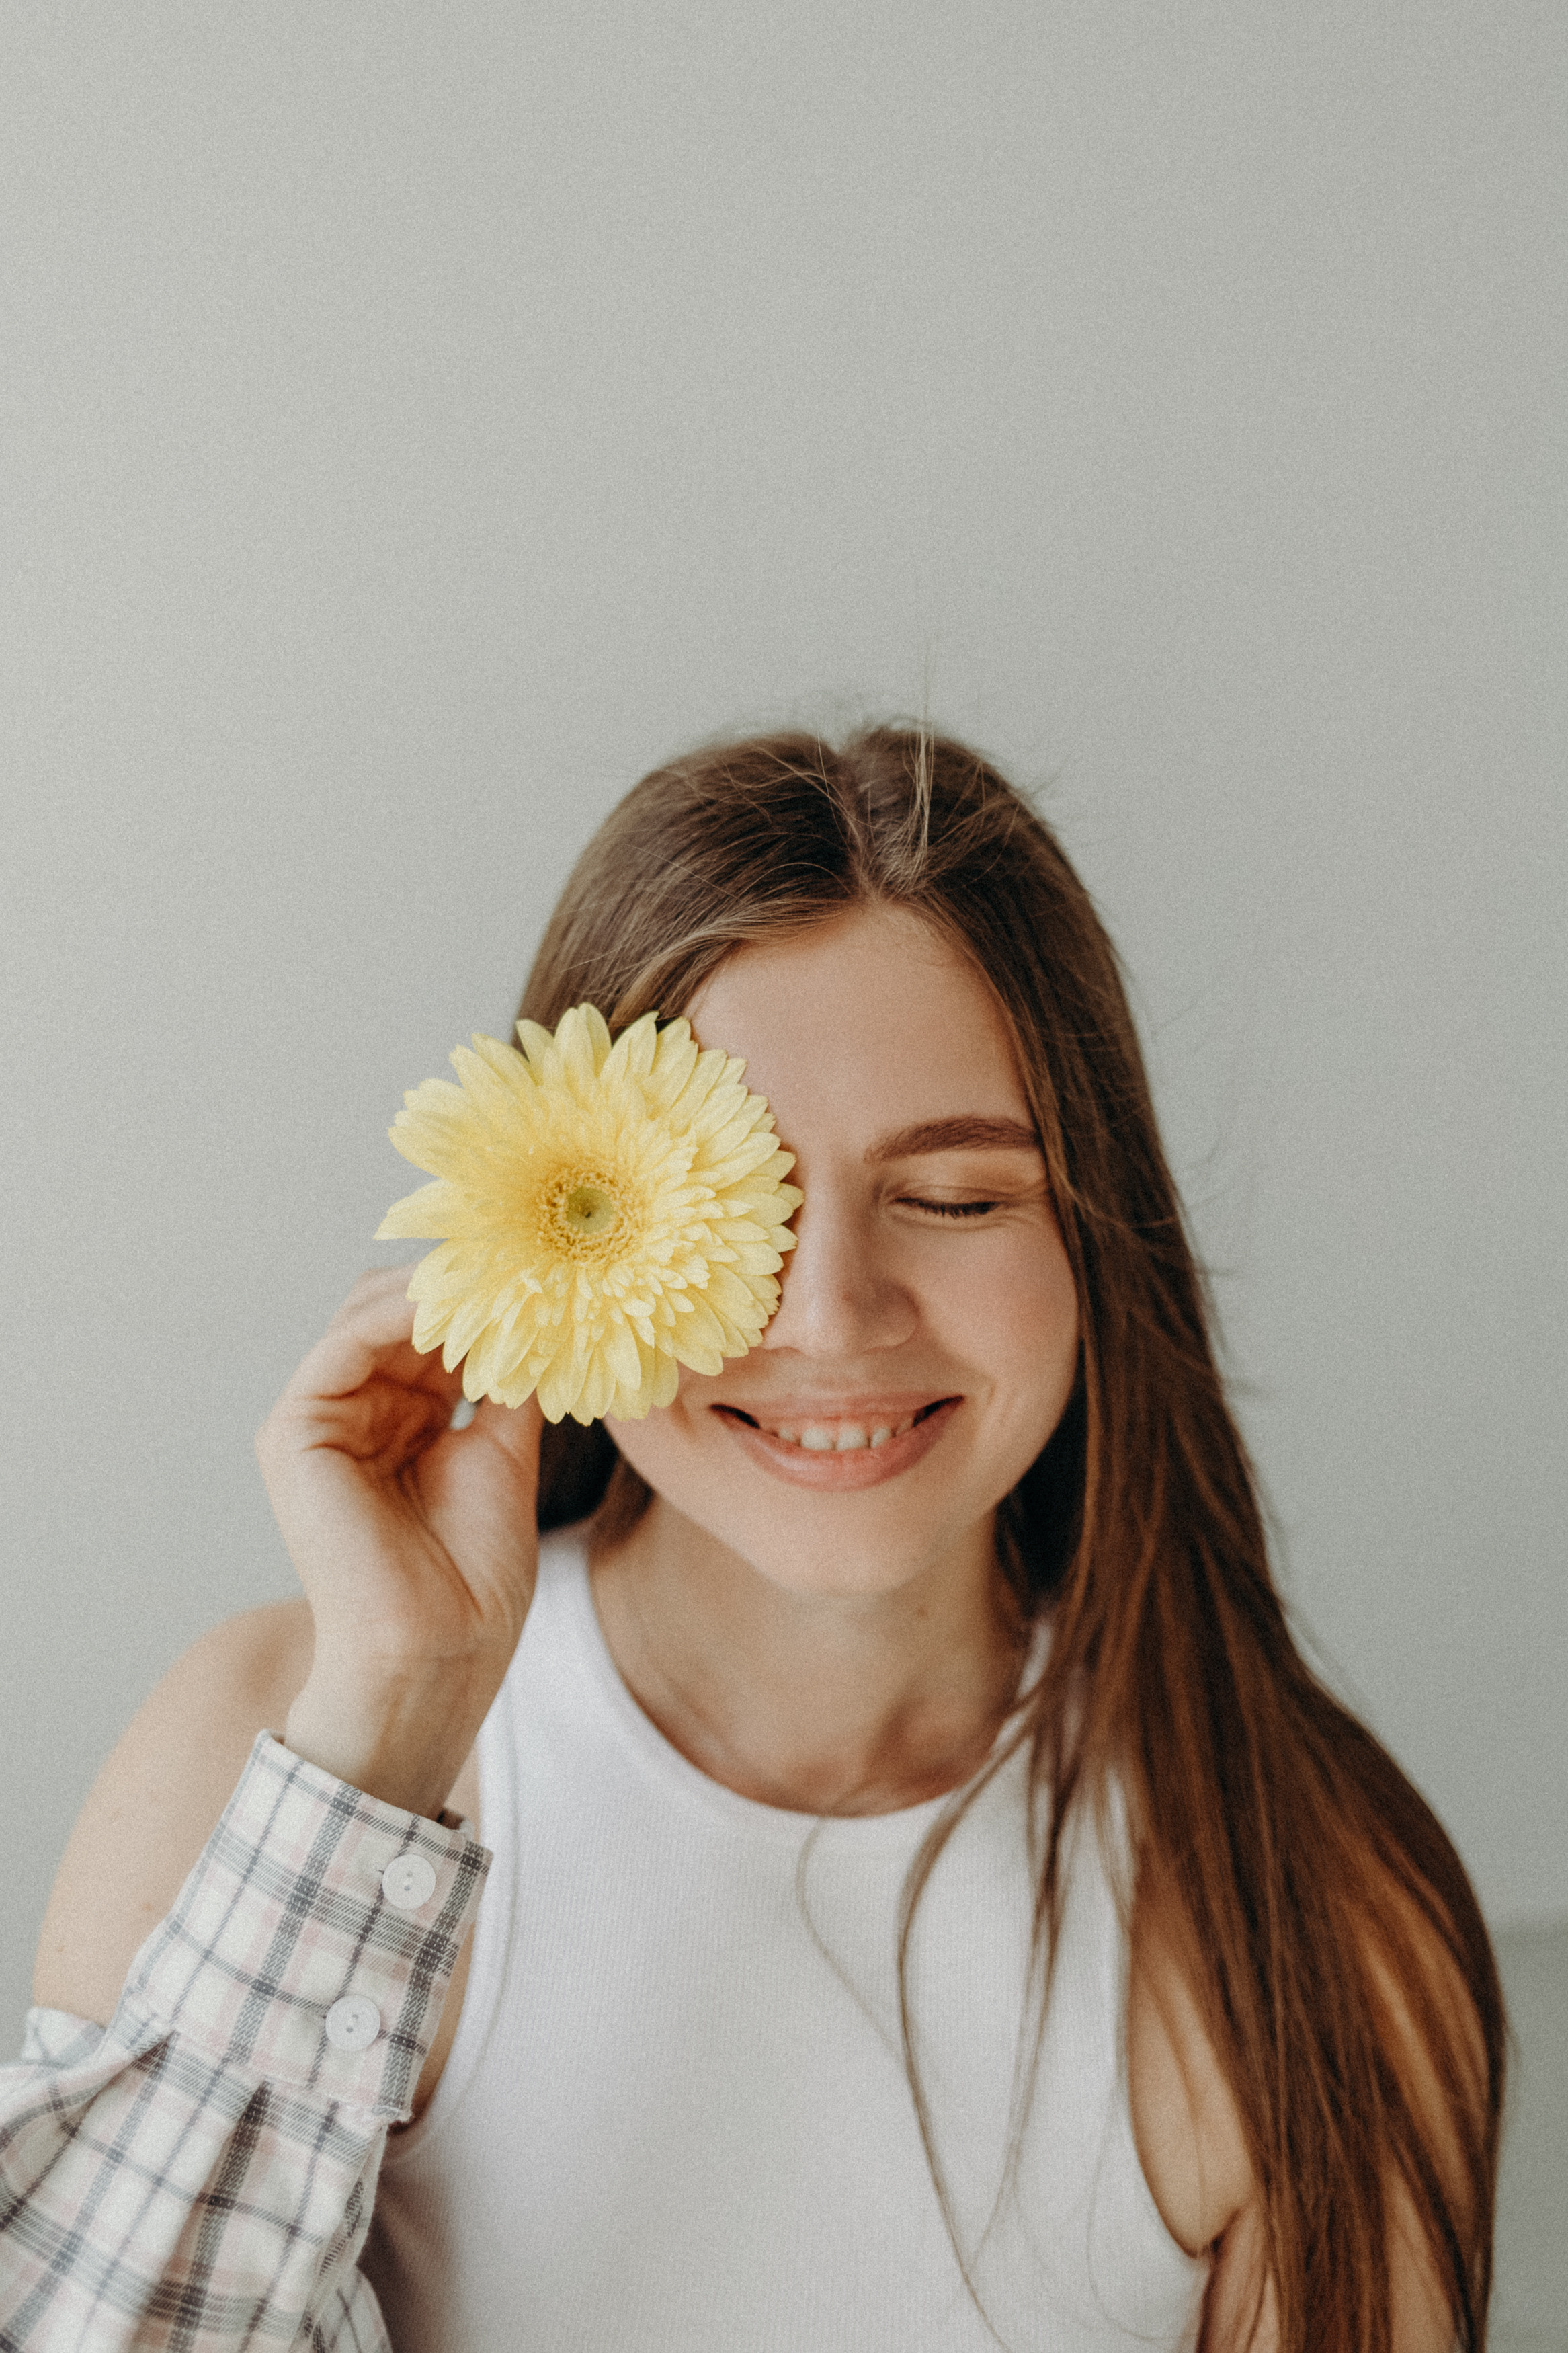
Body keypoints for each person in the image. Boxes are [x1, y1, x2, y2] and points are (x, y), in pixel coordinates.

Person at [5, 727, 1503, 2351]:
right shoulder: (270, 1747)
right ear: (550, 1224)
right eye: (741, 1208)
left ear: (1097, 1240)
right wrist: (385, 1734)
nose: (833, 1316)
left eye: (956, 1198)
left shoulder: (1318, 1916)